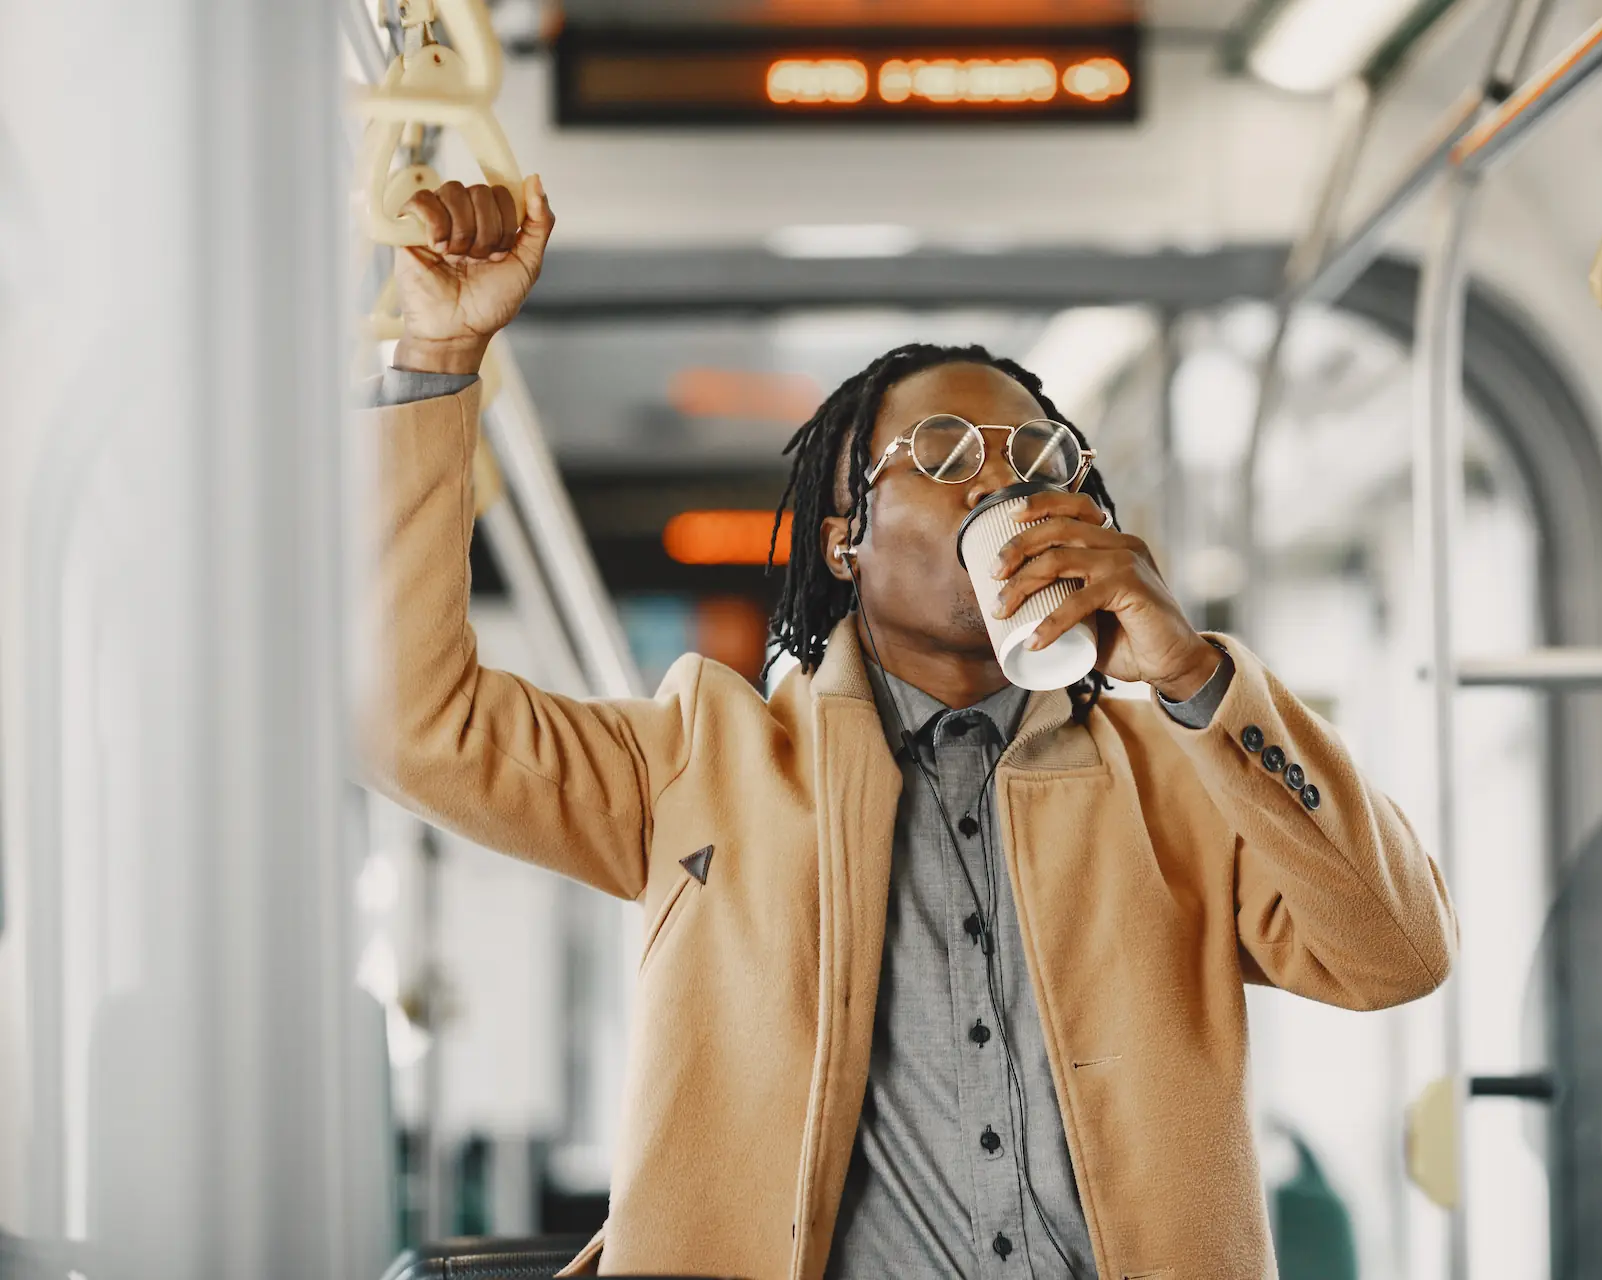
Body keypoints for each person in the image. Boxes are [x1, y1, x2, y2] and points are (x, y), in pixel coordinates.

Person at [360, 174, 1456, 1280]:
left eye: (1037, 461)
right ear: (844, 537)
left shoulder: (1181, 773)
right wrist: (438, 362)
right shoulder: (699, 760)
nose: (998, 483)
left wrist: (1195, 673)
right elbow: (412, 723)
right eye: (941, 452)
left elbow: (1396, 955)